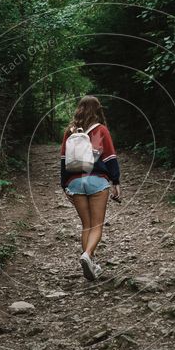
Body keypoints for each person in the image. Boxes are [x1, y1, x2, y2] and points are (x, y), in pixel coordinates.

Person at [60, 95, 121, 281]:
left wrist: (65, 185)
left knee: (86, 225)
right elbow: (110, 158)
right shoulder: (101, 130)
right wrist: (116, 182)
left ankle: (90, 262)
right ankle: (87, 255)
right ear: (97, 110)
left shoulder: (69, 132)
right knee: (97, 225)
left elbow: (63, 161)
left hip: (75, 182)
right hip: (97, 180)